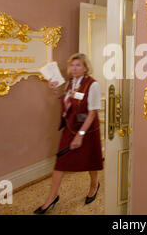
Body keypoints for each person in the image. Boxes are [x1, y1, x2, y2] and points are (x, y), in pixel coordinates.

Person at [34, 53, 103, 214]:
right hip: (71, 127)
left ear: (86, 68)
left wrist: (81, 134)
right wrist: (56, 91)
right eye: (72, 65)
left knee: (91, 161)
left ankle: (94, 185)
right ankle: (52, 198)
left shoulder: (93, 85)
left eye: (78, 65)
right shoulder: (70, 83)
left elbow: (92, 112)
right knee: (61, 162)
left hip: (87, 129)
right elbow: (66, 99)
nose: (74, 68)